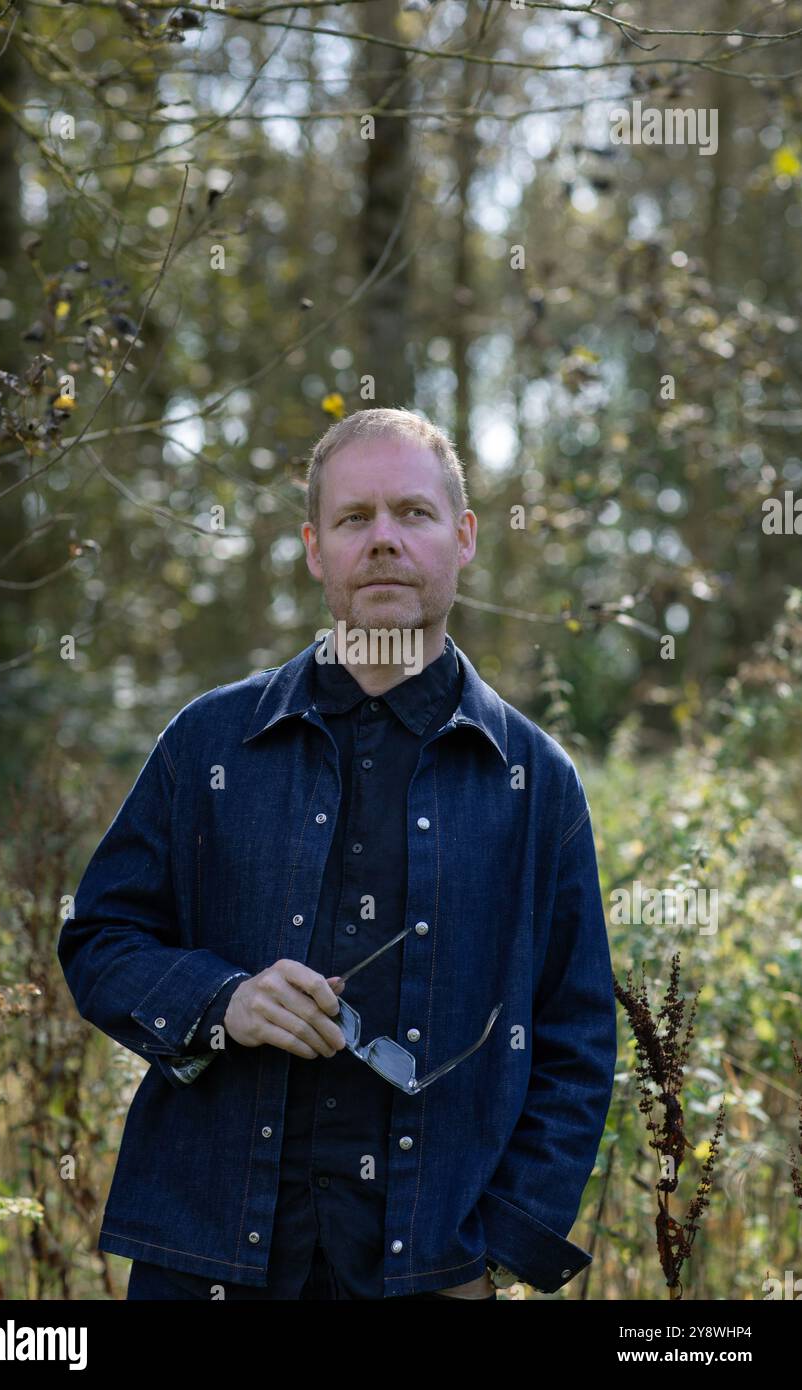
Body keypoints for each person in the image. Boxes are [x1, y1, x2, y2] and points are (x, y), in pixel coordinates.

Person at [57, 406, 617, 1301]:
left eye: (413, 514)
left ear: (463, 537)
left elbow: (577, 1042)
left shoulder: (534, 781)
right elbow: (99, 941)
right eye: (355, 519)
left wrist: (499, 1252)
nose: (384, 541)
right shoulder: (208, 744)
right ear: (316, 548)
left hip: (430, 1273)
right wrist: (224, 1000)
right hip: (209, 1266)